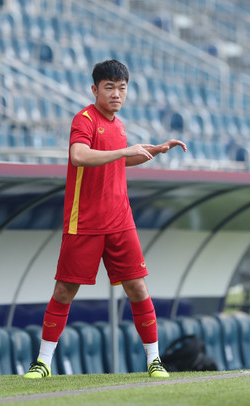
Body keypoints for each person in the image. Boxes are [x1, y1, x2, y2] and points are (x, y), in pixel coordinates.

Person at [24, 59, 187, 379]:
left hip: (120, 221)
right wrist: (125, 151)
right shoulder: (84, 119)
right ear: (94, 89)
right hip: (84, 222)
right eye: (109, 87)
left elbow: (117, 161)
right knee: (64, 291)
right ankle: (42, 362)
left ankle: (154, 360)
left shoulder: (118, 125)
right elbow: (79, 156)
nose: (116, 94)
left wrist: (153, 151)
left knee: (138, 288)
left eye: (122, 88)